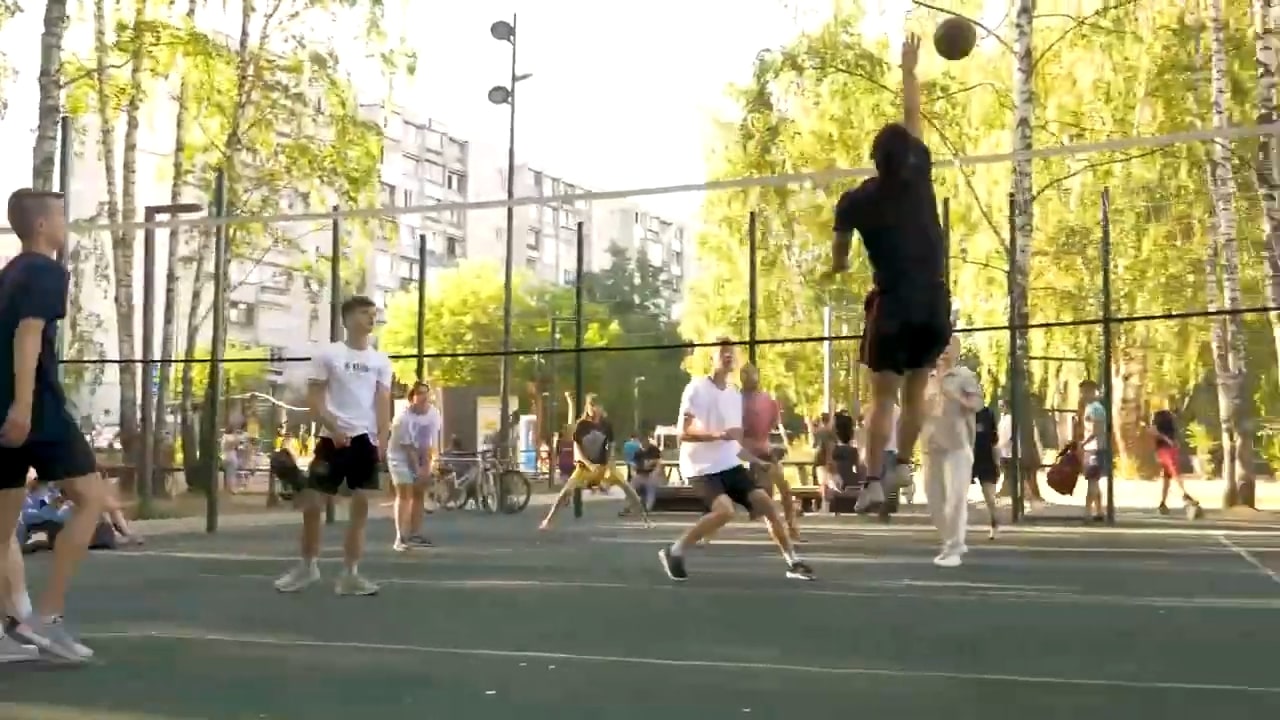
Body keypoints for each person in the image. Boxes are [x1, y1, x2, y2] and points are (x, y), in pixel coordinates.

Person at [828, 34, 951, 513]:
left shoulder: (855, 201)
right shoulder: (920, 174)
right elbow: (913, 116)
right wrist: (908, 71)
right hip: (933, 300)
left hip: (894, 303)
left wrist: (835, 269)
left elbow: (841, 258)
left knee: (883, 397)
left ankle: (875, 481)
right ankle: (901, 463)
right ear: (909, 157)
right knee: (916, 389)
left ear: (874, 160)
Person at [0, 188, 108, 661]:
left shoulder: (8, 274)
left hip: (3, 409)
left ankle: (5, 635)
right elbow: (28, 336)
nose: (67, 225)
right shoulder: (46, 271)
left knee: (1, 532)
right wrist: (23, 407)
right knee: (91, 498)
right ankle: (48, 616)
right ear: (42, 225)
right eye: (62, 216)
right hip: (35, 409)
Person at [657, 338, 814, 582]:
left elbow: (733, 444)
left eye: (731, 352)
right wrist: (717, 435)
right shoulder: (696, 388)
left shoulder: (733, 395)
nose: (728, 356)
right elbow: (683, 433)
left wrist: (756, 461)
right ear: (712, 358)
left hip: (729, 465)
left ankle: (793, 563)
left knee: (767, 505)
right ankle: (674, 551)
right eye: (722, 352)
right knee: (725, 511)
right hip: (700, 468)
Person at [274, 295, 391, 595]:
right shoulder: (329, 354)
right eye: (364, 313)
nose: (371, 318)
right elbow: (315, 398)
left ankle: (350, 574)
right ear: (348, 319)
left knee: (360, 508)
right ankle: (308, 567)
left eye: (373, 313)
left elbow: (382, 401)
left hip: (365, 441)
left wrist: (382, 438)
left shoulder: (380, 360)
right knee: (312, 504)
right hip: (332, 440)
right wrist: (334, 427)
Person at [539, 394, 649, 530]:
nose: (593, 408)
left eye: (595, 405)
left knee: (628, 488)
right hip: (585, 467)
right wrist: (589, 464)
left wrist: (608, 464)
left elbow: (611, 447)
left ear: (601, 408)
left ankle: (645, 519)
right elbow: (577, 450)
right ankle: (548, 520)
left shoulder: (606, 425)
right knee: (565, 491)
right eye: (590, 405)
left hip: (603, 465)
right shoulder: (582, 425)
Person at [921, 337, 985, 567]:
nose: (944, 350)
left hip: (957, 445)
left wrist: (956, 397)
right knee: (935, 501)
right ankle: (951, 539)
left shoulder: (964, 376)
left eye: (949, 346)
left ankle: (953, 549)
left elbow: (978, 405)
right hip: (930, 446)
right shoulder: (925, 379)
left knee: (956, 500)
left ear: (957, 351)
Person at [741, 363, 799, 540]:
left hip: (765, 452)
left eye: (751, 373)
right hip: (749, 454)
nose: (749, 377)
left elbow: (773, 423)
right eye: (745, 374)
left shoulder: (766, 398)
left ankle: (791, 527)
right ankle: (780, 532)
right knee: (767, 496)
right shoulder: (736, 400)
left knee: (785, 490)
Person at [387, 382, 436, 551]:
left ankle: (415, 533)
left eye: (426, 393)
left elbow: (430, 441)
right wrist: (418, 469)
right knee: (405, 493)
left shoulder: (433, 414)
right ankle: (400, 537)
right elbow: (408, 448)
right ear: (412, 397)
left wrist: (427, 466)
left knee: (419, 493)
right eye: (420, 393)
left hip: (420, 454)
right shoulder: (402, 418)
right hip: (399, 457)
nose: (424, 397)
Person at [1150, 408, 1199, 515]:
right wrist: (1169, 441)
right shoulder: (1159, 417)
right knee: (1174, 472)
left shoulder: (1168, 419)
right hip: (1166, 450)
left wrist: (1173, 442)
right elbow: (1155, 432)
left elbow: (1157, 433)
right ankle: (1185, 495)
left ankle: (1163, 503)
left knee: (1167, 477)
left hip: (1167, 450)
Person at [1079, 380, 1108, 523]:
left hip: (1094, 448)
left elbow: (1096, 429)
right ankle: (1099, 510)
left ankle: (1087, 512)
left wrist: (1083, 443)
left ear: (1091, 391)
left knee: (1092, 480)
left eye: (1085, 392)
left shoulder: (1094, 408)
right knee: (1094, 481)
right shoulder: (1092, 407)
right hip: (1094, 447)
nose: (1082, 395)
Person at [973, 402, 1001, 539]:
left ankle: (994, 524)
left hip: (985, 458)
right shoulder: (961, 412)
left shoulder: (988, 414)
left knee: (989, 496)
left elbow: (994, 441)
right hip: (966, 458)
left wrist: (996, 463)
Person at [623, 428, 662, 516]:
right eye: (642, 441)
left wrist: (656, 471)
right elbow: (634, 464)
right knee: (631, 487)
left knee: (651, 489)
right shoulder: (638, 452)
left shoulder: (654, 450)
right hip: (640, 474)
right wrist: (633, 473)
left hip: (651, 474)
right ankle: (627, 506)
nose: (643, 443)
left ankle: (648, 508)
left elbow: (659, 462)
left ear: (648, 440)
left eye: (645, 441)